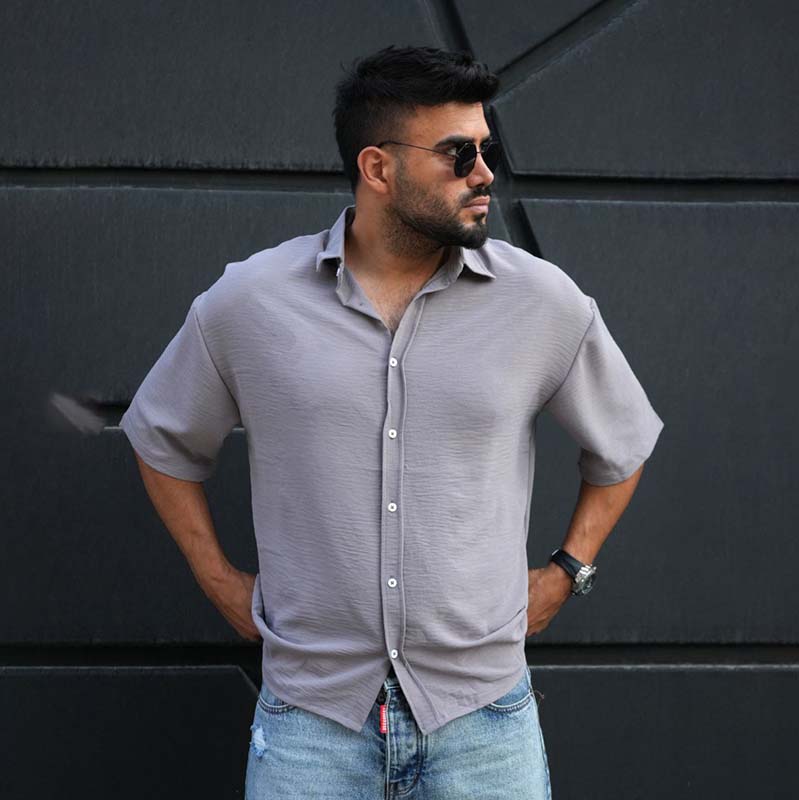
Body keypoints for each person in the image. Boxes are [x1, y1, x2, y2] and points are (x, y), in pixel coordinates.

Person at [120, 44, 664, 799]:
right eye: (459, 154)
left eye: (487, 150)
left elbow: (623, 444)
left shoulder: (542, 302)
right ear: (377, 168)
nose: (484, 173)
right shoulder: (249, 302)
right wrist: (218, 581)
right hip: (310, 724)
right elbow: (161, 440)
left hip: (484, 723)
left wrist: (568, 572)